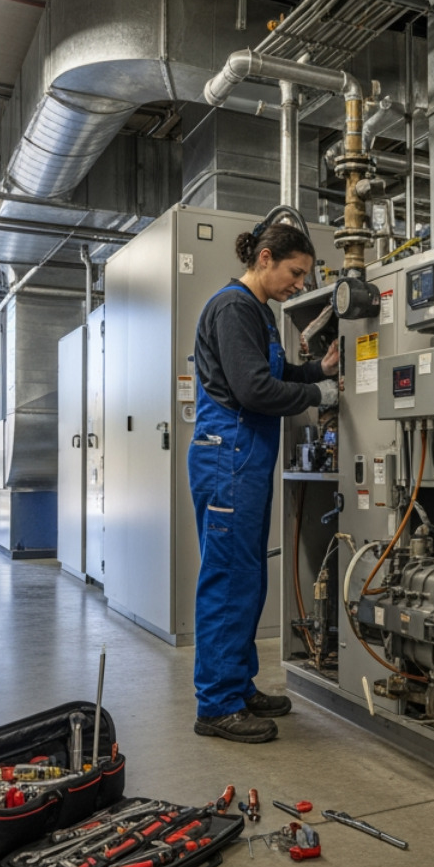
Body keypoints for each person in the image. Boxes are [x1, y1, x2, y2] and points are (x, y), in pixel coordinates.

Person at [189, 222, 340, 743]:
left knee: (247, 577)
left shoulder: (256, 313)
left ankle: (238, 684)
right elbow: (254, 389)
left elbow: (275, 373)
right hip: (227, 455)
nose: (300, 285)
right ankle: (215, 705)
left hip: (244, 459)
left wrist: (317, 369)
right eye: (295, 273)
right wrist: (318, 397)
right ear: (266, 258)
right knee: (227, 579)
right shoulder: (233, 308)